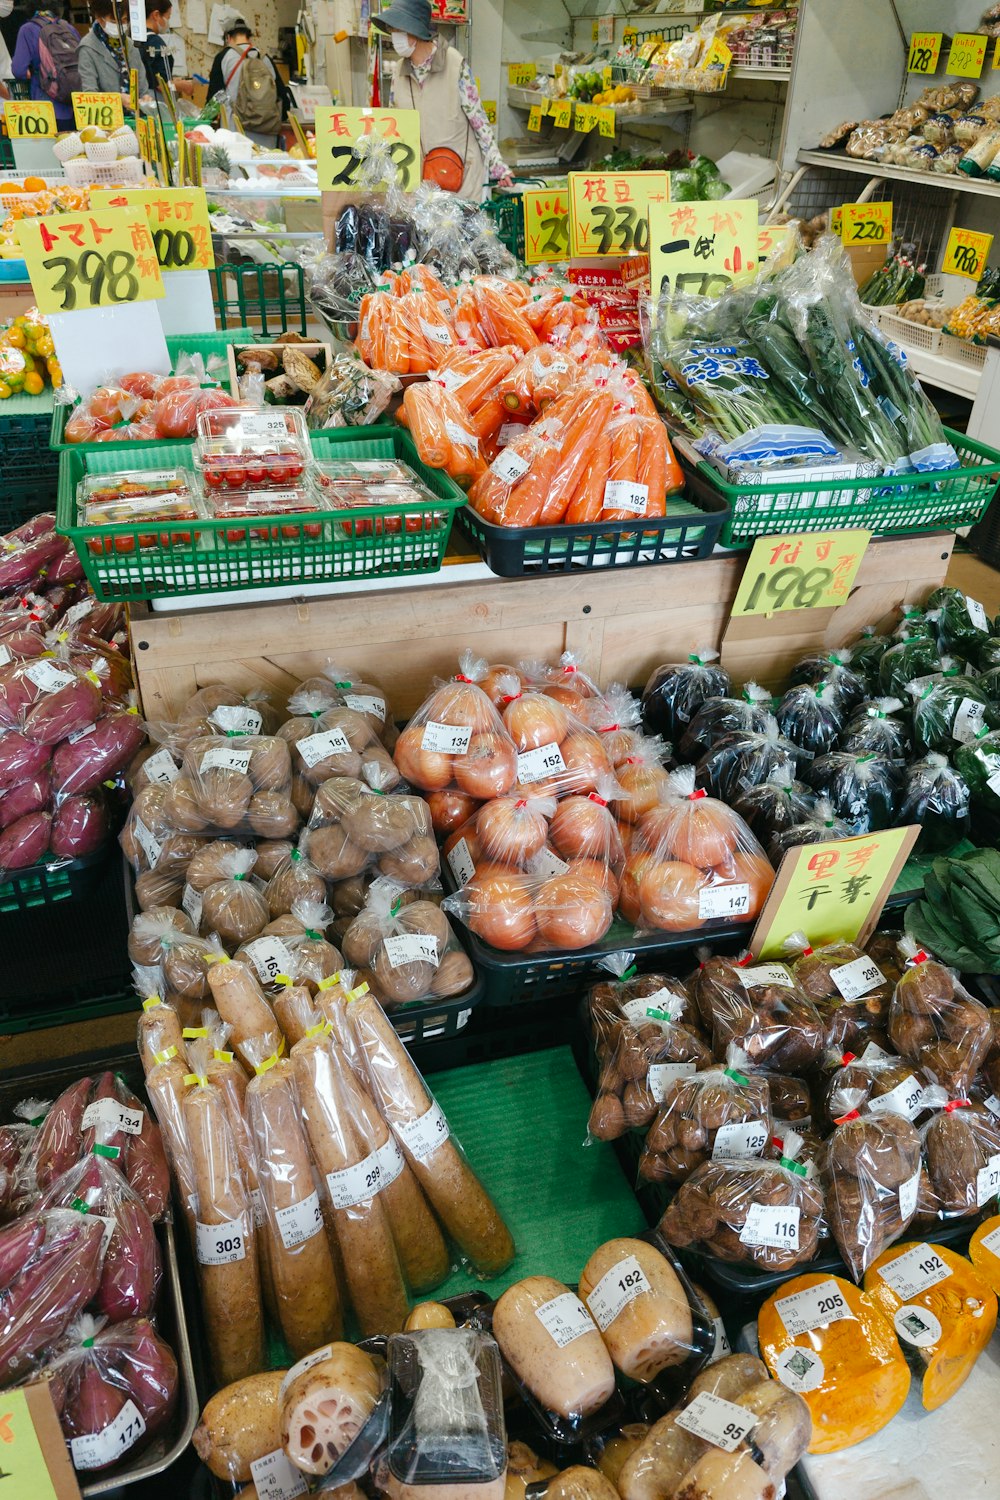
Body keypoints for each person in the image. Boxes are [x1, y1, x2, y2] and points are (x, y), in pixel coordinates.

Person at [371, 0, 512, 201]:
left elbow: (479, 120)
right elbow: (395, 124)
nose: (394, 37)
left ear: (415, 31)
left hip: (462, 180)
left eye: (398, 29)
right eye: (391, 30)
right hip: (422, 184)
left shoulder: (455, 65)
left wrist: (499, 168)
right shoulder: (398, 72)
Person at [206, 17, 291, 146]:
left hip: (235, 138)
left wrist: (203, 125)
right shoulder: (265, 58)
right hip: (268, 139)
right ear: (249, 37)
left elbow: (215, 100)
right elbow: (283, 100)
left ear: (228, 38)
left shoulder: (224, 58)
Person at [10, 0, 80, 128]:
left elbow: (18, 70)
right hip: (74, 107)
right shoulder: (69, 28)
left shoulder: (28, 29)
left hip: (45, 107)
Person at [78, 0, 148, 99]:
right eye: (114, 21)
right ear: (99, 18)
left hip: (136, 113)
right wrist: (118, 99)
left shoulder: (130, 45)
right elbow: (89, 94)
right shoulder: (88, 48)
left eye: (124, 20)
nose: (121, 25)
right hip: (108, 113)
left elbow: (142, 87)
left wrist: (145, 98)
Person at [138, 0, 192, 96]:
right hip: (155, 100)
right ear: (156, 15)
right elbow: (162, 84)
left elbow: (150, 76)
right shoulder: (157, 43)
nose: (168, 22)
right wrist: (183, 85)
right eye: (168, 17)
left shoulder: (133, 39)